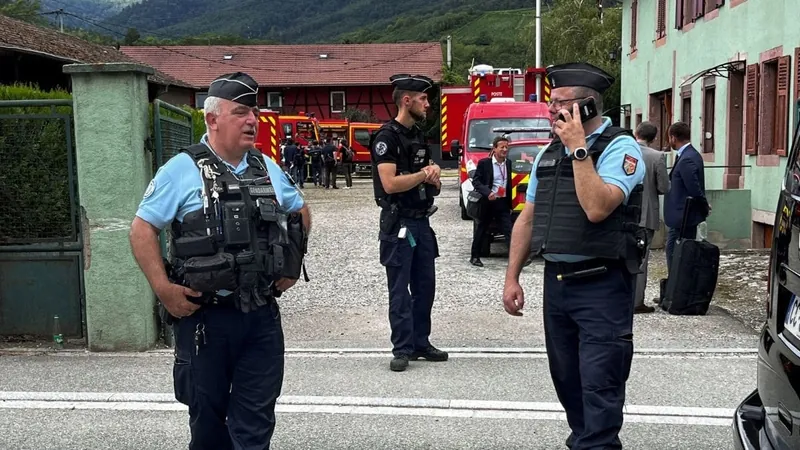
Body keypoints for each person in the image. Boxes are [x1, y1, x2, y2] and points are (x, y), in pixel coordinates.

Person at [129, 72, 311, 450]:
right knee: (208, 422)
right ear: (212, 119)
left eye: (254, 113)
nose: (252, 121)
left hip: (261, 317)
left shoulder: (267, 168)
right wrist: (164, 290)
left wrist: (292, 264)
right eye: (241, 112)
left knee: (256, 420)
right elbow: (141, 230)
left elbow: (300, 211)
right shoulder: (181, 170)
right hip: (206, 320)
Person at [502, 62, 646, 450]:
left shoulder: (620, 147)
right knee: (567, 381)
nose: (551, 112)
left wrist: (578, 149)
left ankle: (596, 444)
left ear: (586, 107)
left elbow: (599, 207)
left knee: (600, 384)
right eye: (551, 105)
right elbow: (527, 219)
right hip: (558, 283)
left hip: (602, 284)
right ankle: (585, 440)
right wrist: (511, 276)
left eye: (560, 105)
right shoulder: (547, 155)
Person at [370, 73, 447, 372]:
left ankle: (420, 342)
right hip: (398, 223)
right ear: (407, 100)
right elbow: (389, 184)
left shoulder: (417, 136)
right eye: (423, 99)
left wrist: (434, 177)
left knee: (426, 287)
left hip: (421, 222)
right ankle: (402, 348)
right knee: (400, 291)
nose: (428, 104)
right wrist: (423, 175)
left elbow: (431, 183)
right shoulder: (387, 137)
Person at [633, 121, 669, 313]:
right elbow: (664, 187)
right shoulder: (657, 157)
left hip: (620, 214)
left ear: (635, 132)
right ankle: (636, 302)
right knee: (640, 259)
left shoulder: (621, 152)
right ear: (654, 138)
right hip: (645, 216)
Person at [663, 121, 708, 273]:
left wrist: (704, 207)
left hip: (683, 217)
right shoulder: (688, 155)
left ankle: (675, 290)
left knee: (675, 253)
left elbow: (694, 189)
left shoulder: (687, 158)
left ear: (673, 138)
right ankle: (674, 288)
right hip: (682, 216)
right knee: (674, 252)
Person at [469, 135, 513, 267]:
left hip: (502, 202)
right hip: (488, 202)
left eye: (506, 147)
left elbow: (509, 183)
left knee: (509, 230)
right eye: (502, 147)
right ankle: (475, 256)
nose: (504, 150)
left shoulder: (509, 163)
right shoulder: (485, 163)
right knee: (482, 229)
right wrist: (488, 193)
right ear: (494, 149)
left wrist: (510, 204)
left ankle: (516, 258)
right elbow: (476, 181)